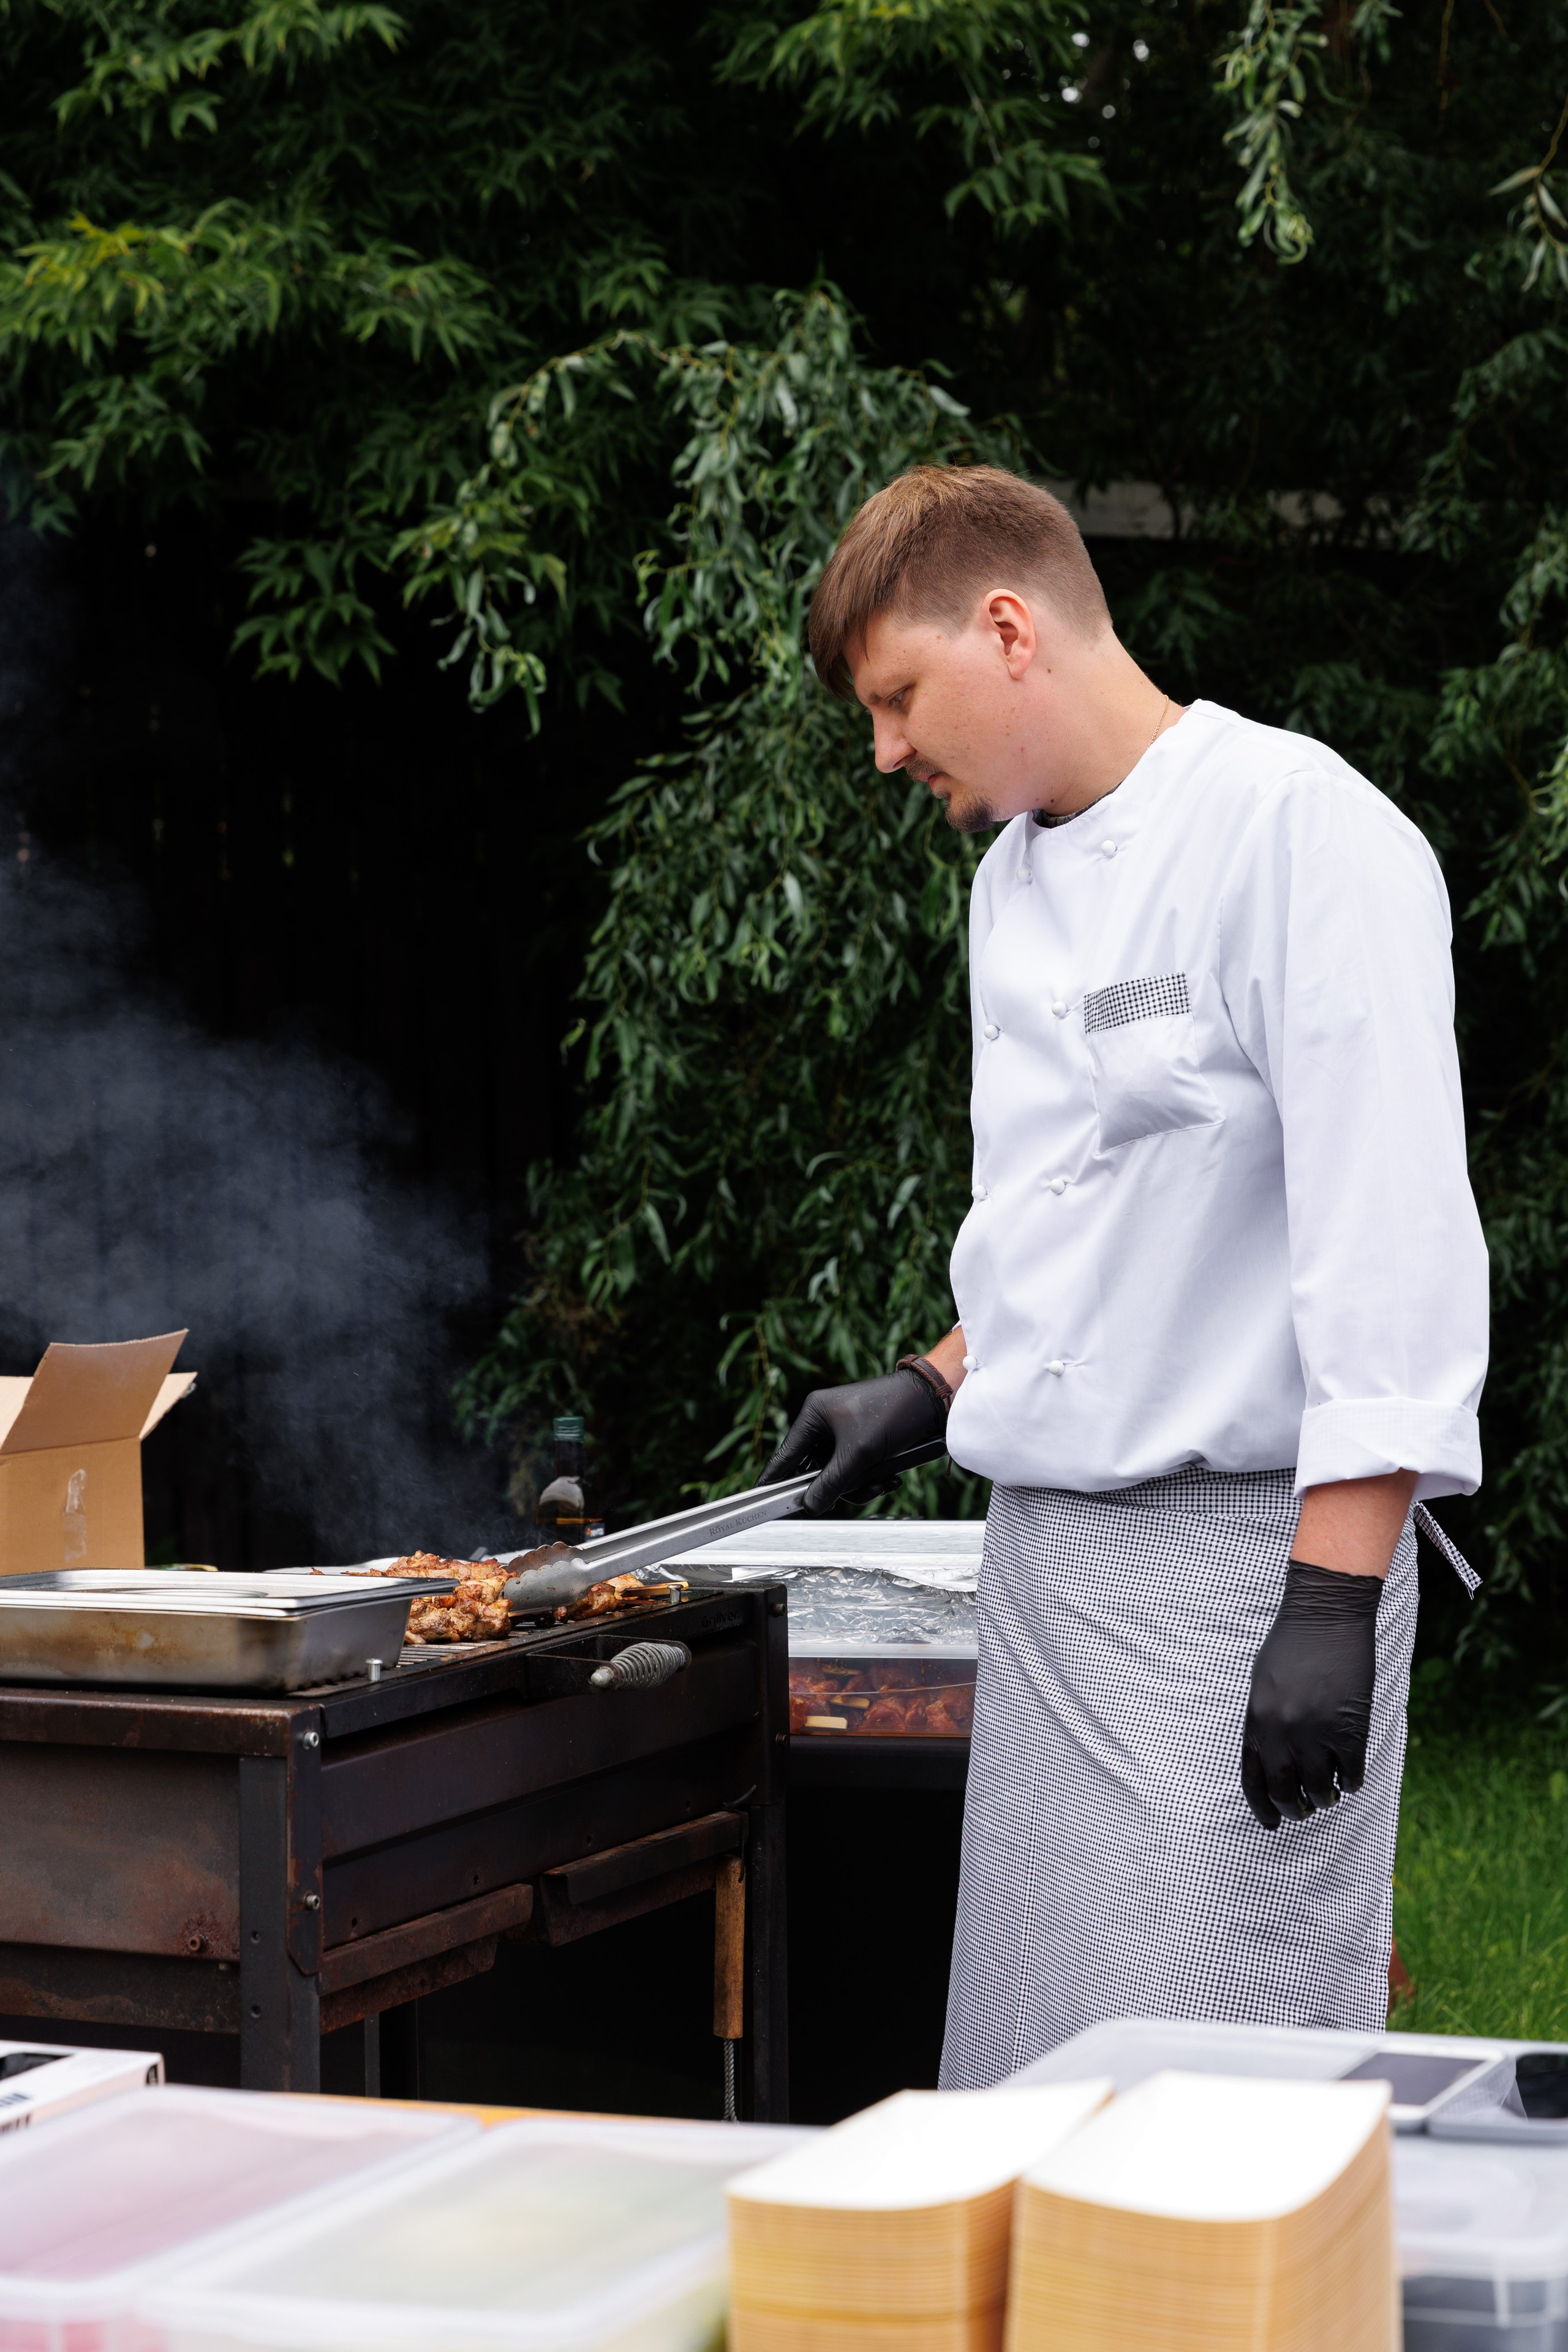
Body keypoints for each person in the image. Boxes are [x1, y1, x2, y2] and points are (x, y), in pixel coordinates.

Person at [761, 464, 1488, 2086]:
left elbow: (1391, 1235)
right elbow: (1077, 1224)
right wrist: (934, 1383)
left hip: (1246, 1576)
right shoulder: (1006, 883)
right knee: (1027, 2084)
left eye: (897, 698)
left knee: (1205, 2104)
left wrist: (1330, 1598)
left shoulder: (1300, 833)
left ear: (1007, 628)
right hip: (1048, 1591)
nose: (888, 751)